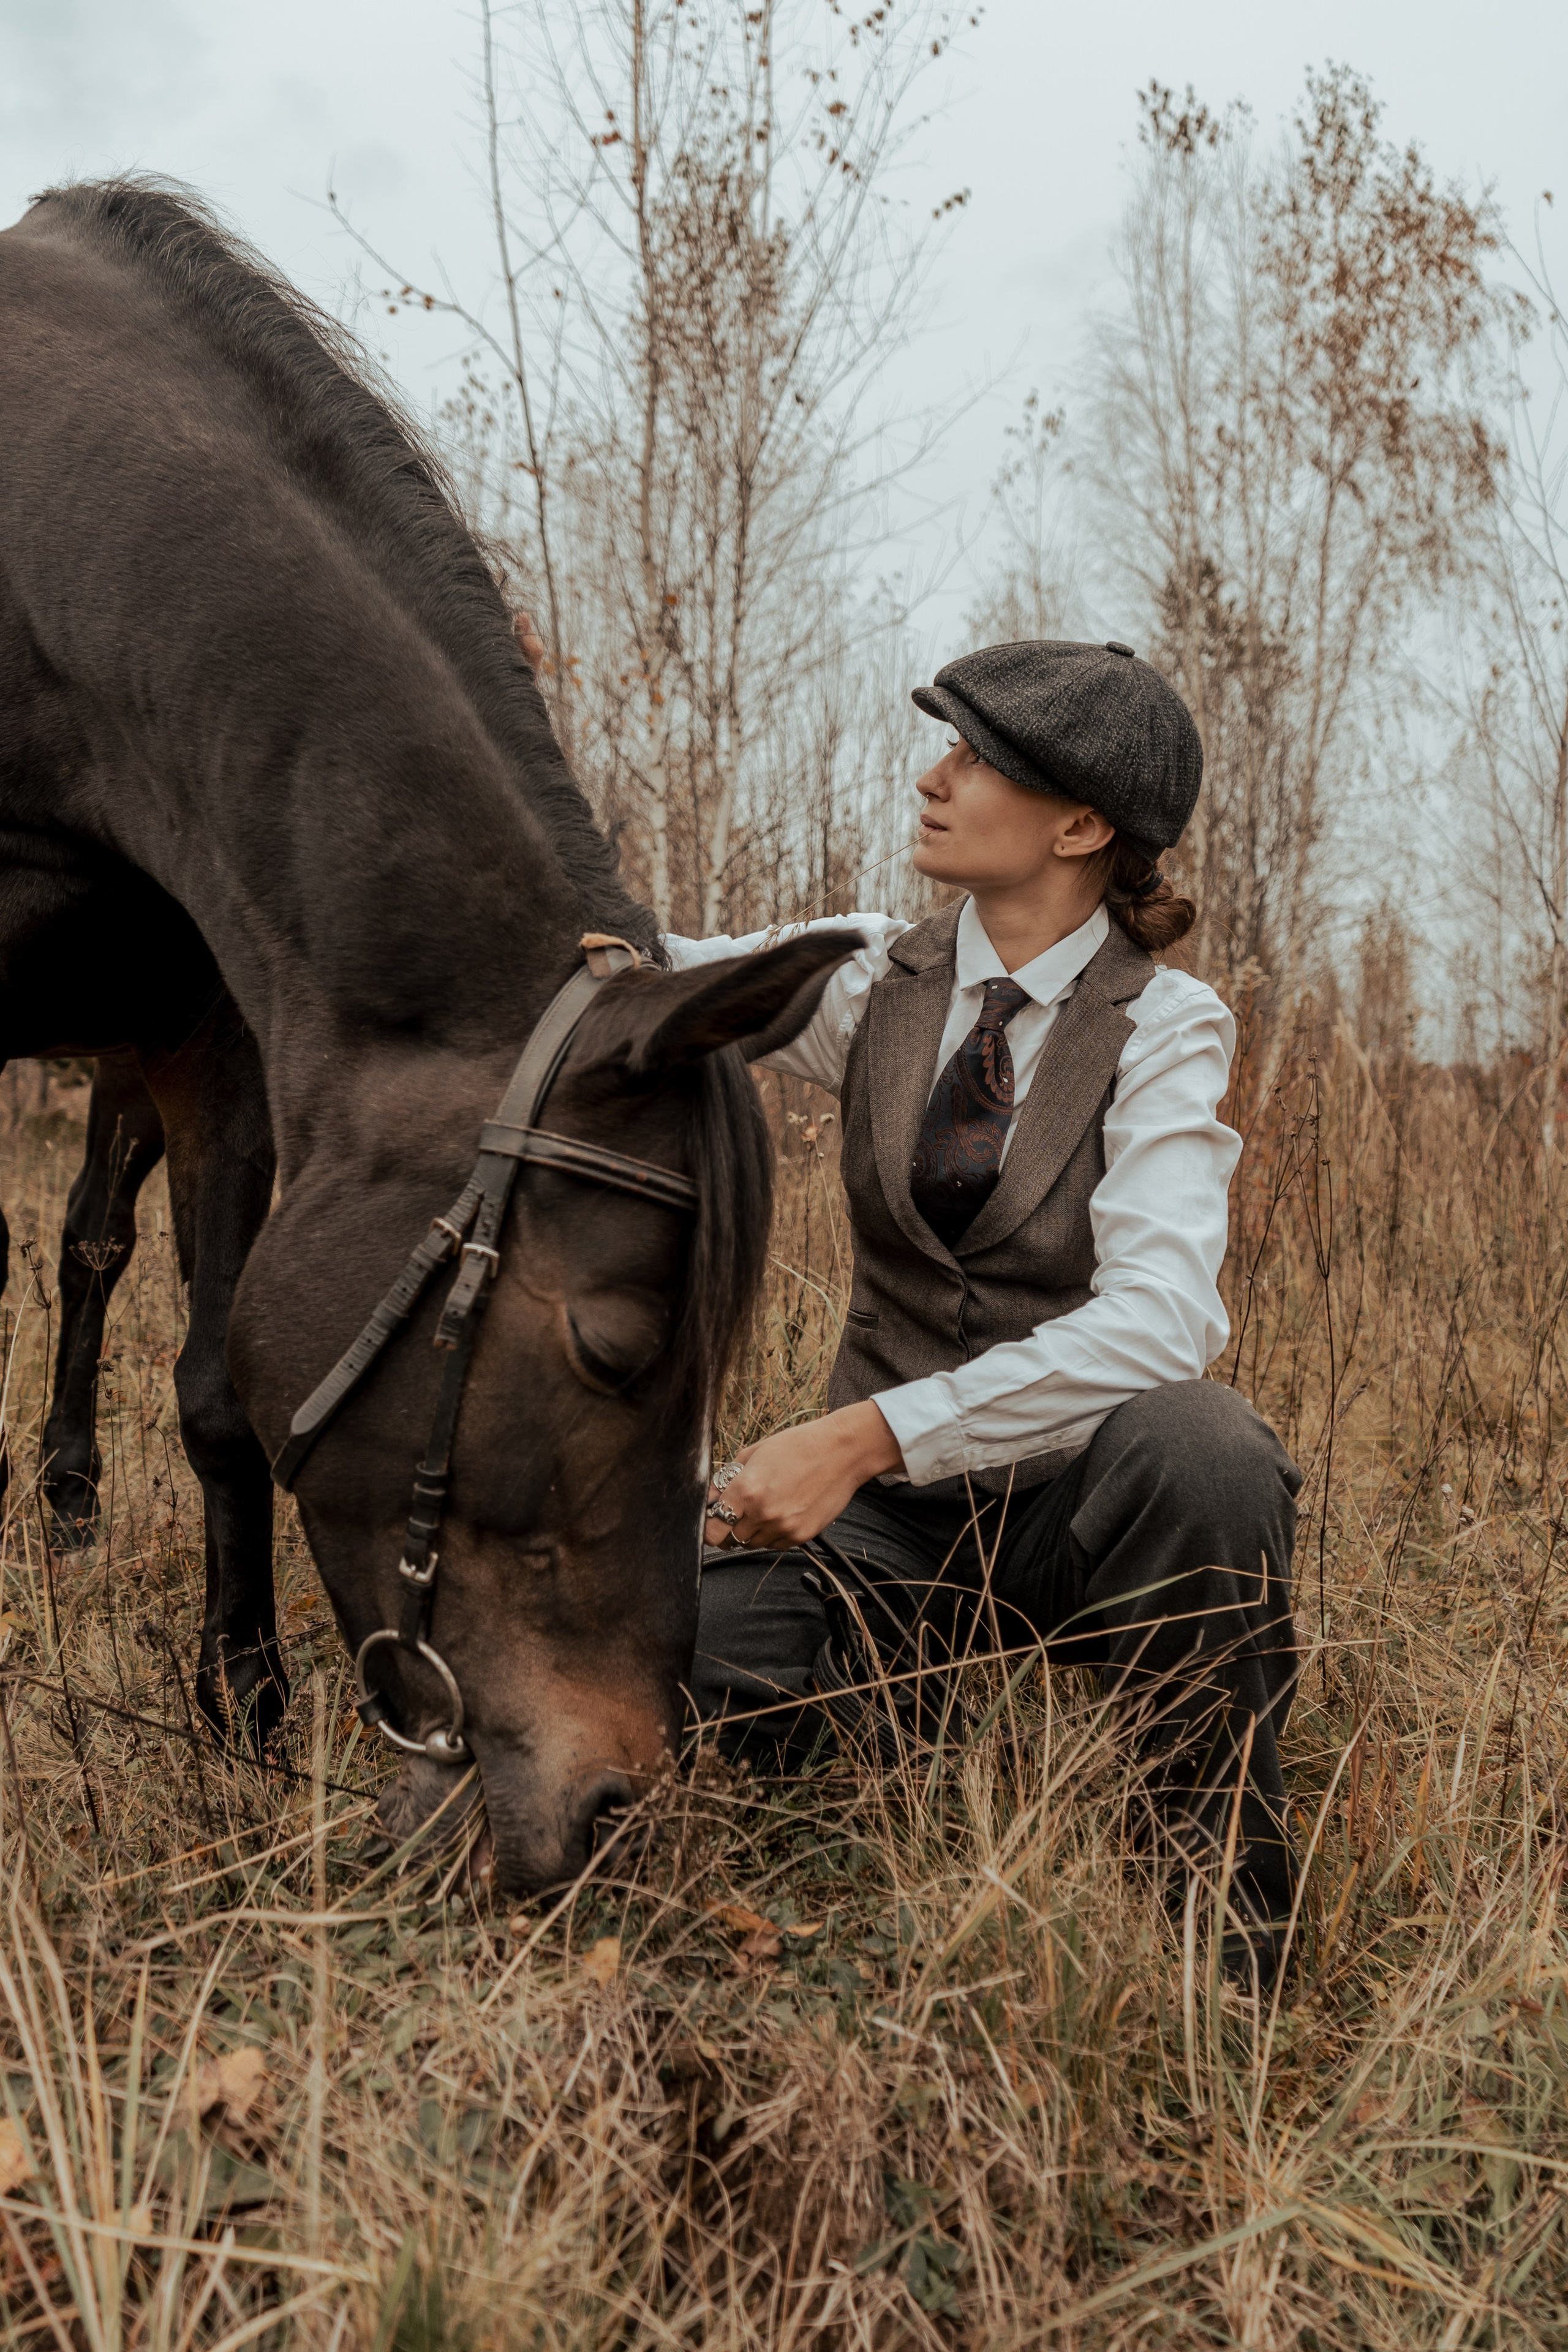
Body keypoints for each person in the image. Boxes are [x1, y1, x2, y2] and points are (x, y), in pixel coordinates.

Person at [518, 619, 1300, 1981]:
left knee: (1208, 1450)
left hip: (1065, 1517)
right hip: (879, 1539)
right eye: (945, 748)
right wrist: (514, 757)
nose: (934, 777)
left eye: (975, 758)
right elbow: (641, 967)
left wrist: (864, 1437)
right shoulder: (873, 977)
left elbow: (1161, 1320)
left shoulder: (1165, 1027)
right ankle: (905, 1730)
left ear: (1077, 827)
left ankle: (1217, 1924)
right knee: (663, 1658)